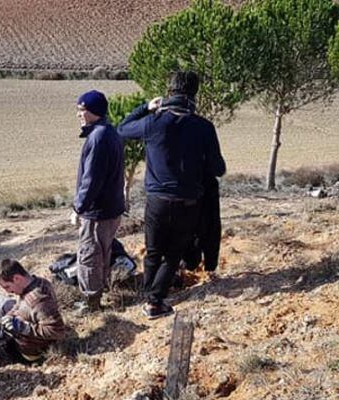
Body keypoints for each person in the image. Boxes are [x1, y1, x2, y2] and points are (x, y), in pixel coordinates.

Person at [118, 70, 226, 320]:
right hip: (189, 202)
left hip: (157, 201)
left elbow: (121, 130)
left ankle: (151, 298)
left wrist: (146, 107)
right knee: (174, 252)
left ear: (169, 92)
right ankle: (155, 301)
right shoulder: (204, 127)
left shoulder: (153, 122)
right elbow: (218, 169)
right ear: (194, 94)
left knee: (154, 251)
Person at [72, 90, 126, 313]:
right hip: (111, 209)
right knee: (102, 254)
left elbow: (91, 180)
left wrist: (78, 207)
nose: (79, 115)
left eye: (82, 110)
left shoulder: (98, 137)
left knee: (89, 256)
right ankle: (98, 295)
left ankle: (90, 303)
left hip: (97, 213)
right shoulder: (109, 132)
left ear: (93, 111)